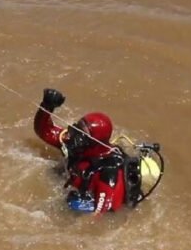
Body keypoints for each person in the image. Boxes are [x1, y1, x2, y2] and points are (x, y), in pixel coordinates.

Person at [34, 88, 126, 216]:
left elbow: (105, 215)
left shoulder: (109, 174)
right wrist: (46, 106)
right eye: (78, 127)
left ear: (94, 142)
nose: (73, 136)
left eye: (82, 134)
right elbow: (45, 132)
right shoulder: (77, 144)